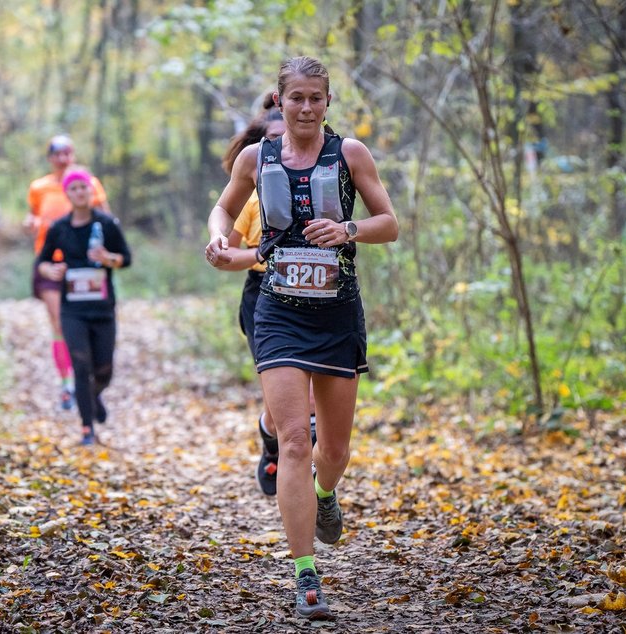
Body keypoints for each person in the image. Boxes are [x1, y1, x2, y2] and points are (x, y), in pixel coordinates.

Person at [205, 56, 399, 620]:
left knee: (332, 450)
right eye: (297, 98)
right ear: (280, 102)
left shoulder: (350, 155)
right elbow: (223, 209)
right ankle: (305, 574)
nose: (307, 107)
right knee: (294, 439)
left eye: (317, 98)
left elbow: (390, 222)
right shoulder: (255, 157)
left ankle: (325, 494)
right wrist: (220, 240)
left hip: (336, 312)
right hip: (278, 312)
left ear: (328, 101)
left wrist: (349, 228)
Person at [216, 107, 318, 497]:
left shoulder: (319, 180)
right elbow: (231, 256)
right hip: (264, 296)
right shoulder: (250, 194)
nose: (280, 145)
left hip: (315, 292)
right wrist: (265, 254)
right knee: (280, 405)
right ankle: (271, 441)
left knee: (310, 399)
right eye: (270, 140)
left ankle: (305, 467)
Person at [36, 169, 131, 445]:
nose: (79, 193)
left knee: (104, 370)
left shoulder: (107, 224)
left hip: (102, 308)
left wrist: (107, 258)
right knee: (80, 364)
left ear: (92, 192)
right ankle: (87, 427)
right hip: (72, 310)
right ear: (67, 194)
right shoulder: (59, 228)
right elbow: (41, 262)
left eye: (84, 188)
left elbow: (126, 259)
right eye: (74, 188)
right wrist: (51, 271)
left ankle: (93, 394)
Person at [27, 135, 110, 410]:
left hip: (84, 266)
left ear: (73, 155)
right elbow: (33, 217)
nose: (63, 159)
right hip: (51, 263)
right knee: (59, 324)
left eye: (67, 153)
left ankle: (86, 377)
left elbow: (106, 219)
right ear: (49, 157)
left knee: (85, 324)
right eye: (57, 154)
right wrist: (32, 223)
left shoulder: (88, 182)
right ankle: (67, 384)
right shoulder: (38, 187)